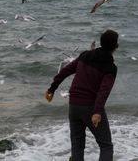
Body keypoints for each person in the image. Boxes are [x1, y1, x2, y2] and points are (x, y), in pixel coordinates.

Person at [45, 29, 119, 161]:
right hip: (90, 108)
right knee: (106, 145)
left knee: (77, 145)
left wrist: (52, 88)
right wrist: (97, 112)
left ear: (101, 43)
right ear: (115, 46)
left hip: (74, 106)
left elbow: (65, 71)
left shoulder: (85, 55)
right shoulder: (110, 67)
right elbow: (103, 92)